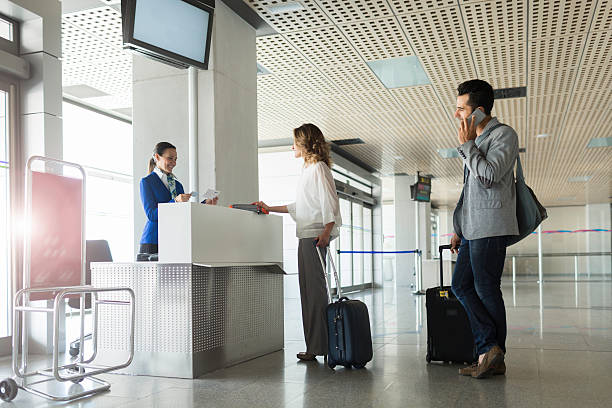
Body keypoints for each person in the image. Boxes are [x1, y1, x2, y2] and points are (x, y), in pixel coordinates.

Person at [253, 123, 342, 362]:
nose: (292, 146)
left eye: (295, 142)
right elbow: (300, 206)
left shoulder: (319, 168)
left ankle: (318, 346)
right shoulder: (309, 169)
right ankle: (316, 345)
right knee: (309, 292)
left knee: (314, 293)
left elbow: (330, 203)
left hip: (314, 238)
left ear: (305, 143)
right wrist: (270, 208)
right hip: (307, 236)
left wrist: (326, 232)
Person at [450, 79, 519, 379]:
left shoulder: (504, 135)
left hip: (490, 226)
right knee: (460, 285)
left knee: (486, 288)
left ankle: (492, 354)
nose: (456, 115)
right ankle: (490, 350)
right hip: (472, 228)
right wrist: (459, 227)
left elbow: (489, 176)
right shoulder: (476, 143)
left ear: (478, 112)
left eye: (460, 109)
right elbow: (471, 191)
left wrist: (467, 146)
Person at [139, 142, 217, 256]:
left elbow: (183, 214)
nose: (174, 163)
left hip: (175, 241)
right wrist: (175, 201)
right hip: (154, 241)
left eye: (176, 159)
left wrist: (206, 203)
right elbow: (152, 215)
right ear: (157, 157)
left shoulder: (177, 185)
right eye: (170, 158)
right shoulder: (147, 182)